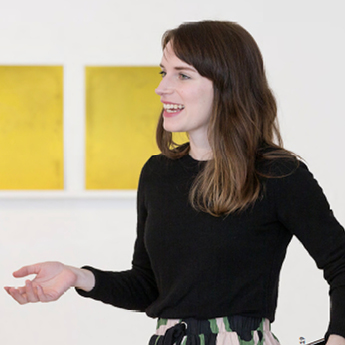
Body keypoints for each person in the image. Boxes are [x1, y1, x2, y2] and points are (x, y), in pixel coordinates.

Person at [4, 21, 345, 345]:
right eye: (164, 72)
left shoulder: (278, 174)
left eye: (183, 75)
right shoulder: (157, 174)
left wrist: (338, 336)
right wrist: (77, 275)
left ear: (228, 84)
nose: (162, 87)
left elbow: (341, 262)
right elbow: (149, 287)